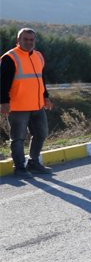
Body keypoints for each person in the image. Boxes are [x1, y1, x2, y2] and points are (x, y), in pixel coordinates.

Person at [1, 28, 54, 178]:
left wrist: (46, 97)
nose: (29, 42)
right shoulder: (10, 58)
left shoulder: (38, 56)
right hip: (18, 107)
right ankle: (19, 168)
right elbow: (2, 83)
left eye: (32, 40)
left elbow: (40, 79)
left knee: (41, 133)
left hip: (37, 105)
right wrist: (4, 102)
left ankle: (33, 162)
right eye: (25, 39)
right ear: (18, 40)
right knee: (18, 138)